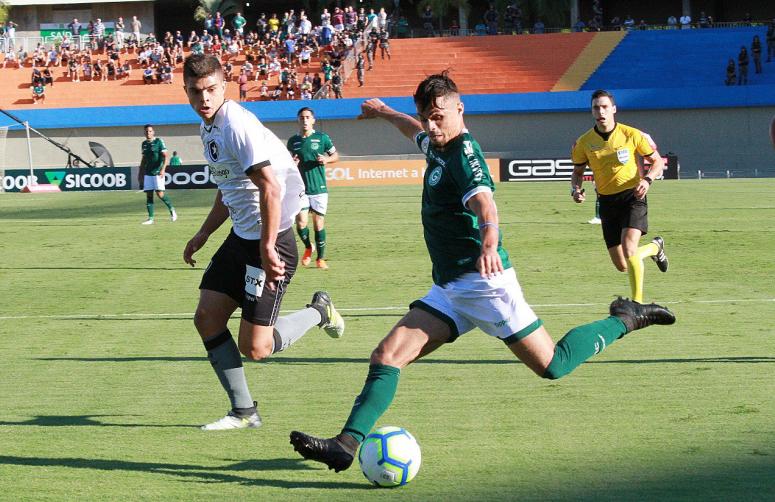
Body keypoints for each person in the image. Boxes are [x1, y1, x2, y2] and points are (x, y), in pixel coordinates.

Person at [289, 74, 676, 471]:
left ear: (460, 109)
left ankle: (626, 317)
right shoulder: (437, 143)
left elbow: (485, 205)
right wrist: (384, 110)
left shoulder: (465, 154)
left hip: (486, 285)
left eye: (438, 117)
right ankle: (345, 445)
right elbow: (412, 130)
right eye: (426, 117)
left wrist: (489, 242)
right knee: (386, 356)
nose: (431, 126)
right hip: (449, 288)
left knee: (553, 365)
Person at [181, 54, 345, 430]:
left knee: (256, 348)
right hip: (242, 237)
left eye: (210, 90)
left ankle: (320, 312)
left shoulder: (236, 125)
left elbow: (271, 187)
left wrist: (268, 246)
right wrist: (204, 233)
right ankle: (243, 412)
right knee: (206, 318)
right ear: (186, 91)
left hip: (272, 241)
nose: (203, 98)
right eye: (195, 91)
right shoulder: (208, 127)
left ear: (224, 87)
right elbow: (230, 188)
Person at [570, 90, 669, 304]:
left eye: (605, 107)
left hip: (632, 196)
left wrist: (647, 180)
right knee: (622, 265)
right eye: (596, 107)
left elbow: (657, 161)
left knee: (629, 248)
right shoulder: (584, 142)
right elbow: (577, 173)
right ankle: (655, 247)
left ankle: (637, 304)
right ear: (592, 111)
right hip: (606, 202)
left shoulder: (631, 134)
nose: (601, 111)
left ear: (613, 109)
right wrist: (575, 190)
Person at [286, 107, 339, 269]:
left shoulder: (322, 138)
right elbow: (287, 163)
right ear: (298, 120)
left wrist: (326, 160)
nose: (305, 120)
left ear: (313, 120)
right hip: (300, 188)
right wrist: (292, 164)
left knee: (318, 224)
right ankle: (309, 247)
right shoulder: (293, 141)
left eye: (308, 117)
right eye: (302, 117)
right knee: (301, 223)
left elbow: (335, 155)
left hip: (319, 188)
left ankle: (320, 259)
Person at [138, 124, 177, 224]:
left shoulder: (159, 141)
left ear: (153, 132)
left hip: (158, 172)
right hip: (148, 172)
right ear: (144, 133)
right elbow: (144, 159)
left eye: (150, 131)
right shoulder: (144, 144)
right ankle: (150, 219)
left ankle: (172, 210)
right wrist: (140, 172)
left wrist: (163, 169)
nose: (148, 133)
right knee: (149, 195)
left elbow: (166, 156)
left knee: (160, 194)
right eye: (146, 131)